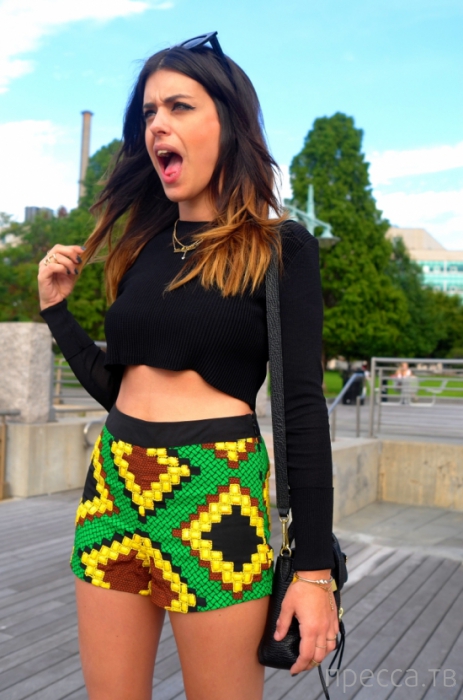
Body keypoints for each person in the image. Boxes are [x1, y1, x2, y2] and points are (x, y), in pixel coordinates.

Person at [38, 32, 337, 700]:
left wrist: (314, 572)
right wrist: (57, 313)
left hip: (214, 492)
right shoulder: (141, 245)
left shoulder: (279, 247)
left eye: (178, 106)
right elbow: (120, 387)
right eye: (149, 112)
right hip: (113, 486)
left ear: (227, 123)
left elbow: (299, 409)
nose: (157, 124)